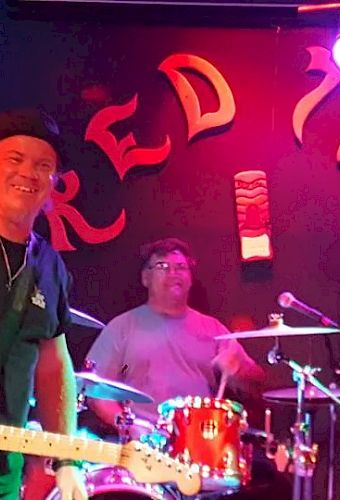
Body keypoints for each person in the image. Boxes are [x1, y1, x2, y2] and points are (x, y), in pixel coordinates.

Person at [86, 236, 265, 431]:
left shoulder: (213, 329)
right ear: (145, 278)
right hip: (143, 442)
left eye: (180, 267)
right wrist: (130, 427)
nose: (173, 273)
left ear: (190, 279)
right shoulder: (121, 327)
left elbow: (256, 384)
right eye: (162, 266)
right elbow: (96, 393)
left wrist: (239, 370)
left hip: (200, 440)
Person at [0, 108, 86, 499]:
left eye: (43, 165)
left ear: (53, 183)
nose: (28, 173)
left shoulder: (50, 266)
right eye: (14, 160)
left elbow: (54, 365)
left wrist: (68, 460)